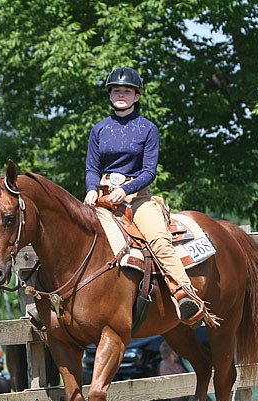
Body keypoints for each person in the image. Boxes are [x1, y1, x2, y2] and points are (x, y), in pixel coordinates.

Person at [84, 67, 206, 327]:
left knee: (159, 241)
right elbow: (92, 167)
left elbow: (149, 171)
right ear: (110, 95)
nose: (121, 95)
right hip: (104, 198)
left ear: (136, 96)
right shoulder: (99, 129)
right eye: (116, 90)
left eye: (126, 91)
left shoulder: (147, 128)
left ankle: (185, 294)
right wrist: (92, 189)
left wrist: (126, 190)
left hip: (138, 198)